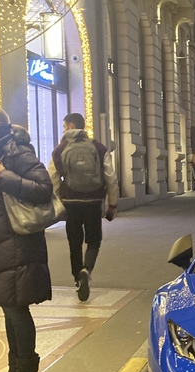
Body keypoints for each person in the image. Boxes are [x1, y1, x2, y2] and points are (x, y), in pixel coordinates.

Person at [0, 107, 52, 372]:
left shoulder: (15, 153)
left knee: (17, 308)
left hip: (17, 243)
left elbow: (44, 188)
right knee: (8, 306)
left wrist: (5, 177)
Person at [48, 113, 119, 301]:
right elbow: (111, 178)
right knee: (94, 240)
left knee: (74, 241)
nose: (63, 129)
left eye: (64, 126)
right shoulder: (98, 147)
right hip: (94, 202)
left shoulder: (60, 149)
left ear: (71, 126)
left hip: (71, 203)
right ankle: (87, 269)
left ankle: (77, 278)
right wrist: (112, 204)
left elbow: (52, 178)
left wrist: (57, 201)